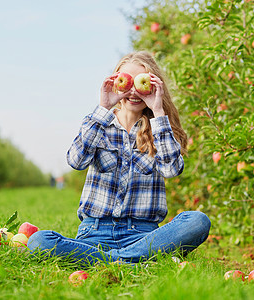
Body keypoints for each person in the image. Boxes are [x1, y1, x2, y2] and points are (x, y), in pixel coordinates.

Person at [27, 51, 211, 265]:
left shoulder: (159, 130)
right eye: (127, 83)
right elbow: (76, 161)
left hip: (142, 235)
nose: (133, 91)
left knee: (197, 221)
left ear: (153, 87)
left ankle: (107, 261)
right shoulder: (99, 124)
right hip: (94, 234)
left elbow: (171, 169)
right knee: (39, 241)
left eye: (141, 84)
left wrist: (158, 111)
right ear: (116, 84)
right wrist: (103, 107)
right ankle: (130, 260)